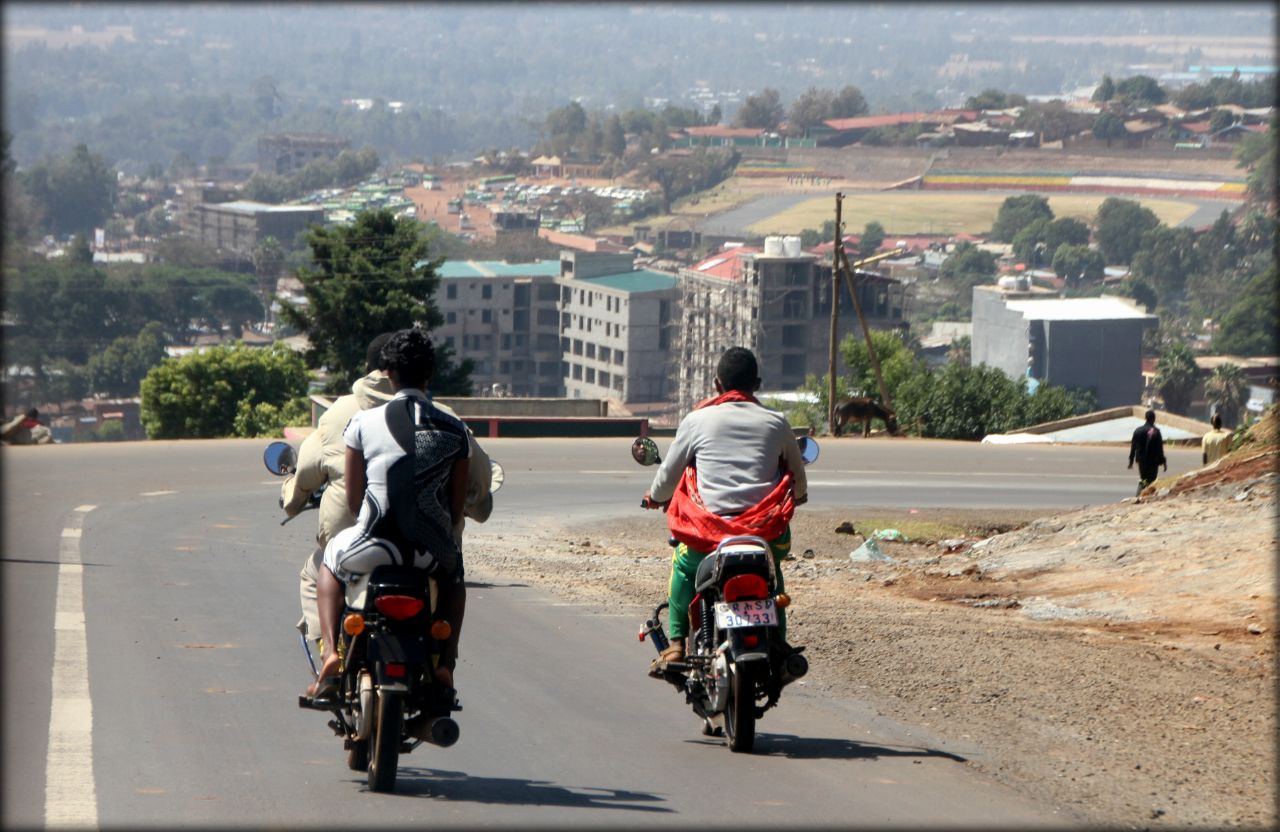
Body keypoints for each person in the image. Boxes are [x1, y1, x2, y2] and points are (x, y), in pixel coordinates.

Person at [282, 333, 493, 661]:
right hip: (430, 553)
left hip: (374, 544)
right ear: (430, 374)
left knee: (327, 563)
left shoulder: (361, 423)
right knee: (455, 579)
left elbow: (355, 501)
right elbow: (455, 510)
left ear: (388, 373)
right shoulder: (454, 428)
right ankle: (445, 665)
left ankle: (330, 655)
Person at [641, 346, 807, 671]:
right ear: (756, 385)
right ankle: (778, 642)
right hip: (763, 536)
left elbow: (666, 480)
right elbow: (798, 486)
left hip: (707, 537)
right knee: (773, 573)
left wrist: (656, 497)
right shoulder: (777, 423)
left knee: (684, 566)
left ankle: (676, 645)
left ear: (717, 384)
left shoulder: (697, 420)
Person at [1128, 409, 1167, 497]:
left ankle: (1138, 496)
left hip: (1141, 461)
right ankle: (1147, 497)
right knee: (1152, 481)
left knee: (1143, 479)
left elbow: (1133, 447)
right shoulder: (1156, 431)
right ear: (1154, 419)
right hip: (1153, 462)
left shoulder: (1138, 431)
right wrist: (1163, 462)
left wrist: (1131, 461)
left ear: (1145, 418)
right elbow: (1160, 448)